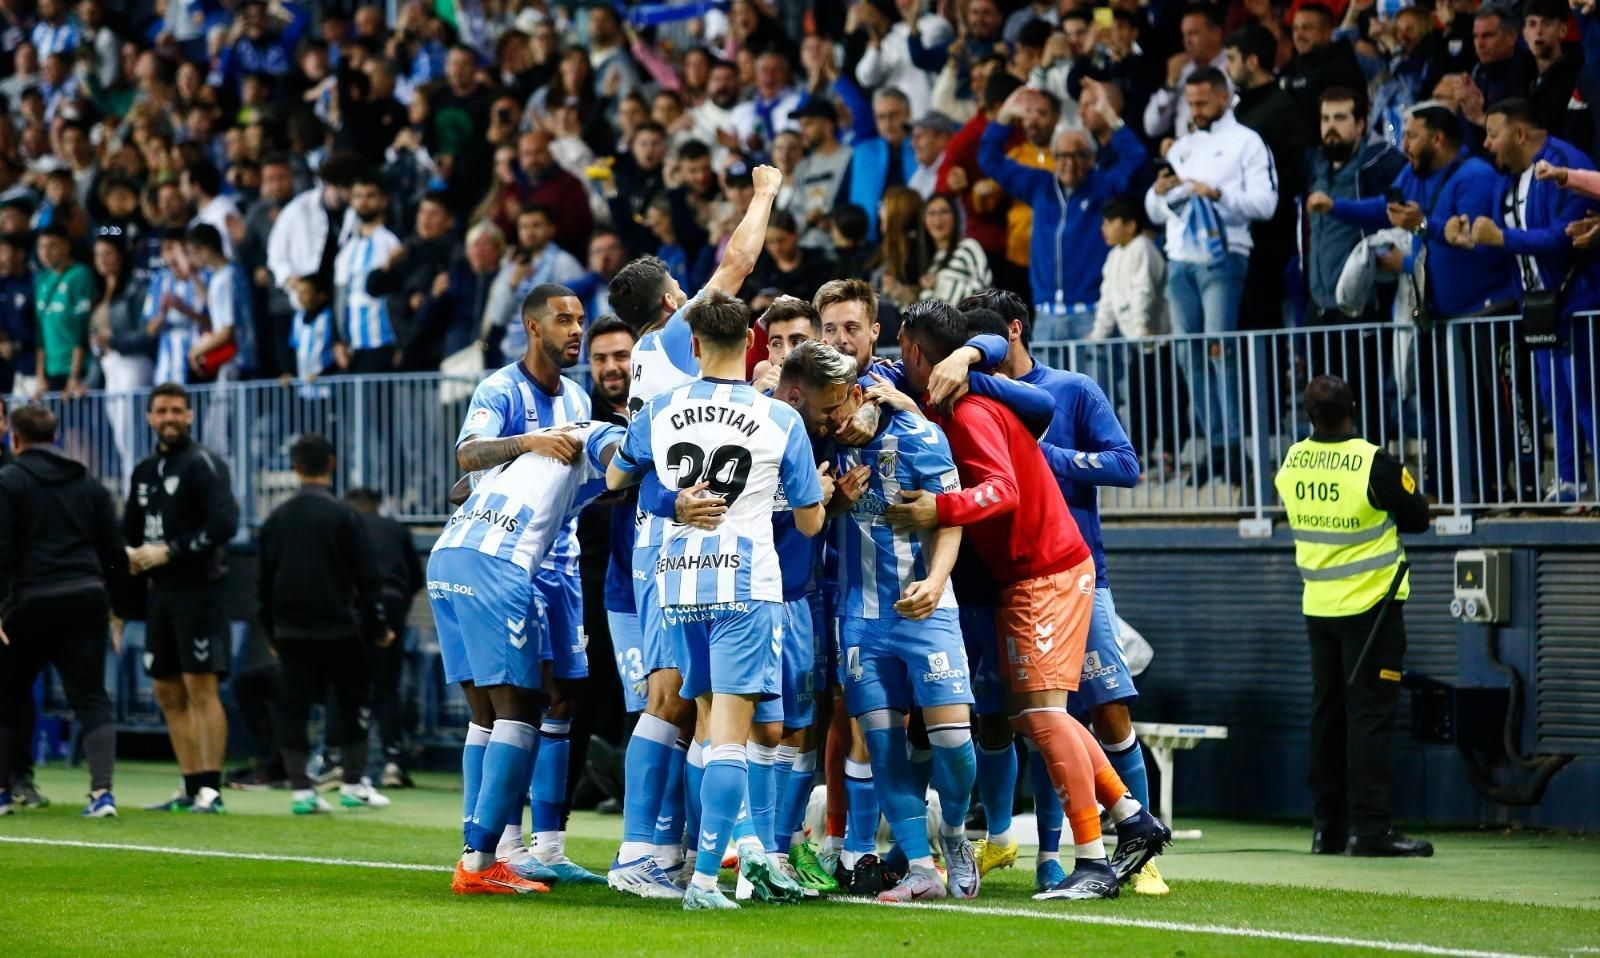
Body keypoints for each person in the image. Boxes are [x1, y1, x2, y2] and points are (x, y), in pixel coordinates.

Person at [884, 300, 1169, 901]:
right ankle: (1132, 817)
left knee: (1043, 716)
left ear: (912, 350)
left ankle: (1091, 862)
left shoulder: (970, 411)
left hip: (1047, 570)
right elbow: (1035, 406)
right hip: (1035, 572)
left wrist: (942, 507)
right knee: (1036, 716)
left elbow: (1004, 491)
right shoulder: (968, 400)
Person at [606, 289, 828, 913]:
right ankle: (707, 879)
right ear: (751, 345)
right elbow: (810, 523)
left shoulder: (660, 408)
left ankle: (743, 849)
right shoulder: (780, 419)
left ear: (696, 346)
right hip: (744, 587)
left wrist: (671, 495)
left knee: (705, 725)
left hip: (677, 583)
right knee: (732, 735)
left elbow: (619, 478)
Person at [601, 164, 782, 900]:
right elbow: (738, 262)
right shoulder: (676, 339)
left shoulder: (652, 358)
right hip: (678, 539)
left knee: (694, 697)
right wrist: (765, 191)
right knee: (675, 695)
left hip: (676, 535)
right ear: (672, 300)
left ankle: (686, 849)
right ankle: (643, 851)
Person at [786, 338, 978, 904]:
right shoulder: (819, 444)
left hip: (927, 611)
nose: (839, 416)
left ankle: (957, 834)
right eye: (832, 406)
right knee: (883, 745)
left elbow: (949, 517)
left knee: (953, 742)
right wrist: (837, 501)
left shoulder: (918, 435)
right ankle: (921, 866)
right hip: (861, 620)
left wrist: (938, 581)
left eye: (846, 401)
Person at [432, 418, 626, 895]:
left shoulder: (538, 441)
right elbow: (619, 464)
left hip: (447, 555)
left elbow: (463, 489)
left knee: (483, 712)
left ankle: (476, 851)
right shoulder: (602, 431)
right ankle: (480, 863)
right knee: (520, 710)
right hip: (498, 564)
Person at [454, 282, 598, 883]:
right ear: (533, 327)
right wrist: (528, 443)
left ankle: (549, 847)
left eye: (581, 320)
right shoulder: (500, 388)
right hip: (505, 561)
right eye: (564, 320)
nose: (576, 331)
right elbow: (467, 456)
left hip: (561, 563)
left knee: (562, 698)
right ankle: (499, 845)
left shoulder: (579, 396)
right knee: (503, 703)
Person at [1274, 375, 1434, 858]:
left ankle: (1328, 829)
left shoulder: (1293, 460)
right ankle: (1370, 829)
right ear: (1354, 409)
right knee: (1369, 718)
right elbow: (1419, 517)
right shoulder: (1371, 461)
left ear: (1308, 415)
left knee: (1327, 716)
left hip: (1318, 605)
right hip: (1373, 609)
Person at [1453, 99, 1598, 503]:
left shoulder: (1566, 166)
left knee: (1587, 396)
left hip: (1579, 305)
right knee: (1557, 400)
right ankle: (1569, 482)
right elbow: (1506, 243)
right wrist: (1470, 239)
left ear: (1519, 134)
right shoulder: (1508, 179)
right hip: (1538, 309)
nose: (1486, 144)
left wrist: (1500, 238)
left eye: (1492, 133)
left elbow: (1563, 238)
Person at [1145, 66, 1278, 486]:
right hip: (1180, 257)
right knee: (1189, 355)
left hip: (1224, 256)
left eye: (1203, 101)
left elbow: (1267, 203)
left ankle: (1238, 446)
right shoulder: (1182, 146)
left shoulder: (1247, 142)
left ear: (1224, 97)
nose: (1196, 109)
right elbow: (1154, 209)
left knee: (1221, 350)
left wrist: (1217, 193)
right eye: (1192, 102)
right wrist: (1160, 193)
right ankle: (1216, 445)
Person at [0, 404, 126, 818]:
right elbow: (113, 551)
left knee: (9, 694)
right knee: (91, 697)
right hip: (86, 597)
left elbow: (2, 550)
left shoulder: (9, 480)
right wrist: (116, 607)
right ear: (56, 437)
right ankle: (102, 793)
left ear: (14, 438)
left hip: (30, 601)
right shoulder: (87, 482)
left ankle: (3, 791)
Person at [257, 434, 393, 815]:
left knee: (294, 708)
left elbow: (263, 582)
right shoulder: (344, 515)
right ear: (331, 464)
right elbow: (367, 577)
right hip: (339, 629)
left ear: (295, 467)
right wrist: (379, 626)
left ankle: (302, 790)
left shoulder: (276, 519)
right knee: (351, 704)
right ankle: (352, 783)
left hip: (291, 631)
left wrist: (270, 630)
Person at [124, 382, 240, 815]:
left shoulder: (203, 463)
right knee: (165, 690)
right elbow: (129, 531)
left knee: (200, 686)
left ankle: (212, 788)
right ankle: (190, 785)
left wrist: (170, 550)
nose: (169, 418)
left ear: (189, 415)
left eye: (176, 410)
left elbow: (226, 523)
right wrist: (128, 565)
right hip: (159, 595)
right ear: (150, 417)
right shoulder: (144, 469)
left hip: (200, 591)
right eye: (161, 411)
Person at [979, 82, 1148, 339]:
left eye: (1078, 155)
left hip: (1092, 315)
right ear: (1054, 157)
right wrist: (1005, 116)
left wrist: (1110, 117)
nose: (1070, 163)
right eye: (1063, 156)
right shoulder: (1040, 186)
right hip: (1046, 317)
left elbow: (1136, 159)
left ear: (1091, 158)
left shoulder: (1102, 186)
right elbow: (989, 159)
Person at [1302, 89, 1408, 436]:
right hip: (1319, 304)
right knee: (1320, 400)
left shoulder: (1380, 161)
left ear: (1361, 124)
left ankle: (1375, 473)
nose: (1330, 127)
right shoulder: (1314, 165)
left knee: (1367, 397)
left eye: (1340, 118)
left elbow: (1396, 209)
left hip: (1364, 302)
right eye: (1325, 119)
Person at [345, 487, 425, 789]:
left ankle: (343, 762)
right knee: (387, 686)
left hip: (355, 608)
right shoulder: (396, 528)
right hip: (392, 606)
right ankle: (393, 761)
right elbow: (416, 577)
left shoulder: (347, 524)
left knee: (349, 686)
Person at [332, 174, 402, 373]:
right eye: (358, 196)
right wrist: (338, 341)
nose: (363, 202)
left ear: (383, 200)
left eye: (370, 196)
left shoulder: (392, 242)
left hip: (384, 342)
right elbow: (339, 297)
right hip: (352, 346)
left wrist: (401, 343)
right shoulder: (347, 248)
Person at [844, 88, 916, 240]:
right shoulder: (862, 153)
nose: (888, 123)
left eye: (894, 115)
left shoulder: (922, 148)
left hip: (916, 239)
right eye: (881, 117)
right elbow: (843, 200)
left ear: (908, 113)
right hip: (870, 245)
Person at [32, 223, 91, 396]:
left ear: (66, 247)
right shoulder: (42, 280)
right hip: (50, 371)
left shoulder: (80, 274)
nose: (46, 252)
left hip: (76, 370)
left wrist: (74, 376)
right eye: (42, 246)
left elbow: (82, 327)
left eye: (52, 246)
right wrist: (40, 377)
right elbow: (40, 333)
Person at [787, 98, 853, 251]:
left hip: (841, 248)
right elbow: (795, 211)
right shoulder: (802, 166)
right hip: (807, 250)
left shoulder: (850, 157)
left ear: (828, 126)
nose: (802, 131)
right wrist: (807, 219)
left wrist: (834, 223)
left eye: (808, 124)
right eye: (801, 126)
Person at [918, 193, 990, 305]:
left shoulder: (968, 247)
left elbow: (986, 293)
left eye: (944, 212)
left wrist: (939, 284)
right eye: (931, 213)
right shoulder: (932, 263)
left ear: (955, 217)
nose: (938, 219)